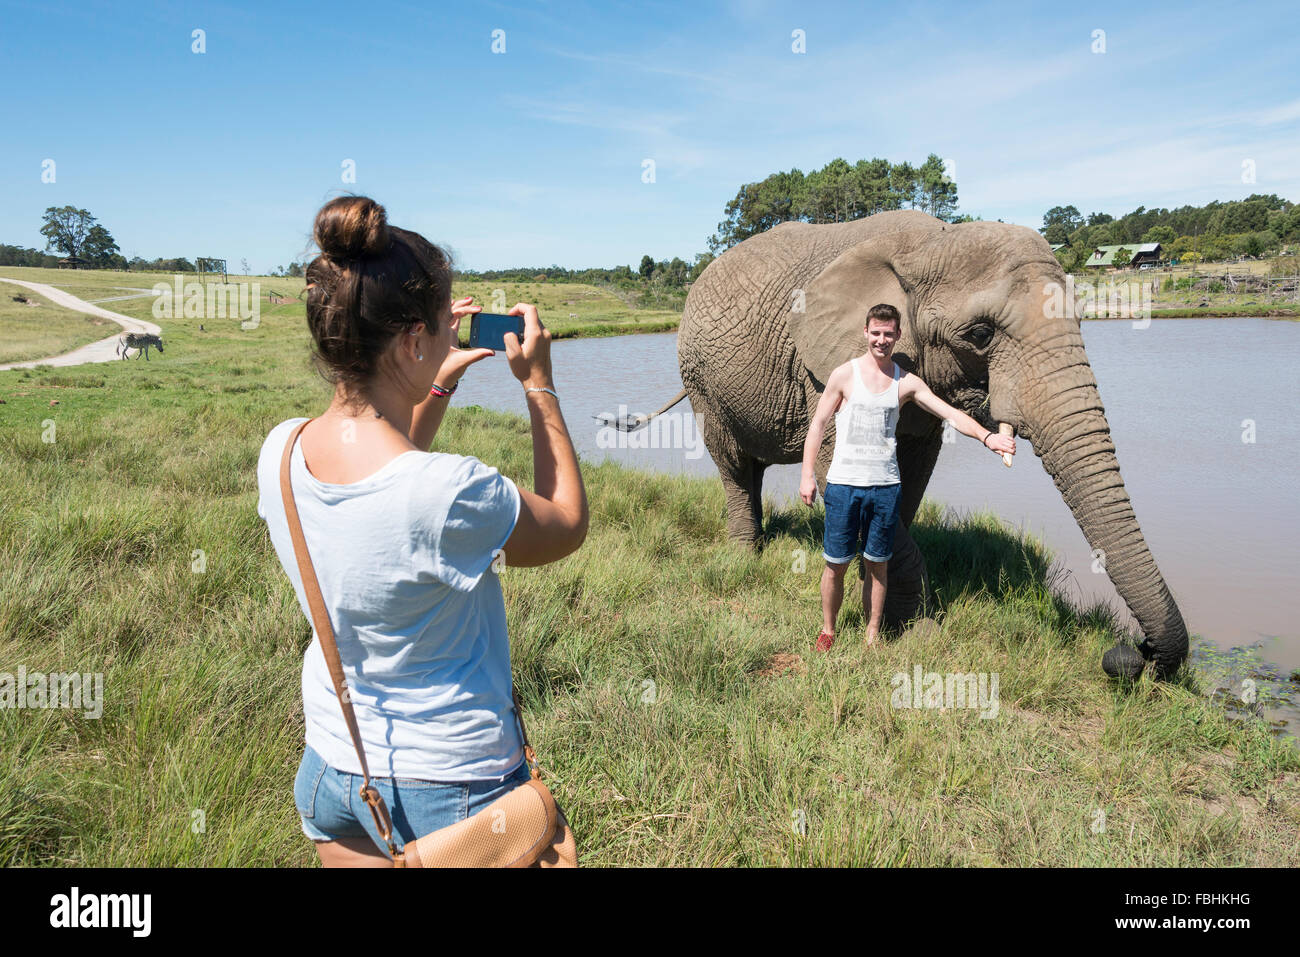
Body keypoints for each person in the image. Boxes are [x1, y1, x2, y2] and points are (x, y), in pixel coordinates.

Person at [255, 196, 588, 867]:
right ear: (410, 341)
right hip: (453, 786)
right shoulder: (453, 490)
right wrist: (540, 387)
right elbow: (566, 523)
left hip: (332, 770)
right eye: (440, 329)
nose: (448, 340)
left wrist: (431, 385)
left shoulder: (281, 450)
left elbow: (388, 478)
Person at [799, 303, 1014, 651]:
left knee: (877, 565)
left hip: (884, 488)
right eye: (876, 333)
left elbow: (951, 414)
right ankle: (828, 631)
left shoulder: (906, 382)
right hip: (843, 485)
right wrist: (808, 474)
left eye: (888, 334)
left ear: (898, 336)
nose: (881, 340)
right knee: (835, 565)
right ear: (865, 333)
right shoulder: (844, 375)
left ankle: (872, 634)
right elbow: (818, 425)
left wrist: (987, 437)